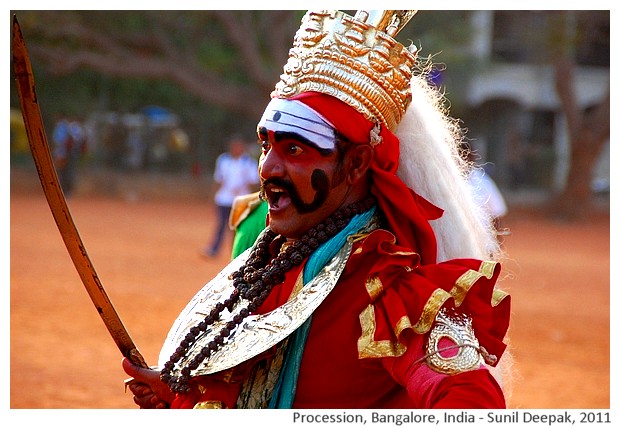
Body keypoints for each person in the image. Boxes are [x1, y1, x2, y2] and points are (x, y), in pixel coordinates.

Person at [123, 10, 511, 409]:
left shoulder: (388, 292)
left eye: (295, 149)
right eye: (266, 146)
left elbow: (470, 400)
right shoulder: (271, 260)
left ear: (357, 163)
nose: (268, 168)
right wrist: (181, 396)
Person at [202, 135, 260, 257]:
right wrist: (213, 195)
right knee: (221, 225)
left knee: (238, 228)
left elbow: (255, 182)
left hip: (240, 200)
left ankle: (237, 252)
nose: (236, 149)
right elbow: (218, 179)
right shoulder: (223, 160)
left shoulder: (248, 163)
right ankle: (214, 249)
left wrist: (246, 184)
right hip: (224, 199)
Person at [52, 115, 87, 196]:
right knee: (67, 172)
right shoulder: (75, 128)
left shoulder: (63, 127)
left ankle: (63, 191)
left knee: (64, 172)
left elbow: (57, 140)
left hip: (64, 153)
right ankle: (66, 191)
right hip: (69, 153)